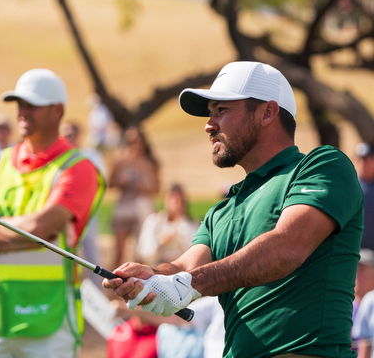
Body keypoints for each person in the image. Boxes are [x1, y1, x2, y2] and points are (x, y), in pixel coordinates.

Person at [104, 61, 363, 357]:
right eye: (210, 113)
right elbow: (186, 268)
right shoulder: (222, 211)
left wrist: (188, 283)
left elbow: (288, 247)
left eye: (221, 110)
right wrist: (150, 276)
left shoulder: (321, 167)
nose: (208, 124)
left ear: (267, 112)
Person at [0, 68, 105, 358]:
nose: (23, 112)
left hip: (50, 317)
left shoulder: (78, 168)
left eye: (32, 105)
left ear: (57, 111)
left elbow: (40, 227)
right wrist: (28, 234)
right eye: (19, 105)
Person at [60, 120, 106, 284]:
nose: (68, 138)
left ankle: (97, 292)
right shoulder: (59, 157)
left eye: (71, 134)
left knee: (92, 254)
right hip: (63, 214)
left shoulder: (91, 155)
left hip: (87, 212)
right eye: (65, 135)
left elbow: (100, 181)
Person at [108, 126, 160, 267]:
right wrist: (122, 181)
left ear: (143, 142)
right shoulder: (119, 160)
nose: (133, 144)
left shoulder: (149, 162)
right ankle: (112, 284)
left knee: (140, 252)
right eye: (129, 141)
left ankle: (138, 286)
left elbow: (157, 188)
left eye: (136, 141)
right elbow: (110, 183)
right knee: (118, 252)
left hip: (143, 207)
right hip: (124, 206)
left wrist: (141, 185)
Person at [135, 184, 198, 267]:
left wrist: (181, 225)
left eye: (180, 200)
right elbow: (144, 252)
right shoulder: (153, 221)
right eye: (173, 199)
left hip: (182, 268)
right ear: (165, 200)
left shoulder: (192, 224)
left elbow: (195, 253)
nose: (177, 204)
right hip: (155, 267)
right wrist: (161, 243)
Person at [352, 249, 374, 356]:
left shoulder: (371, 300)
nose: (357, 274)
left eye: (363, 269)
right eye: (355, 269)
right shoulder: (343, 307)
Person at [356, 142, 374, 250]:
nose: (364, 163)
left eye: (368, 159)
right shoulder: (351, 186)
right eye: (361, 159)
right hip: (355, 252)